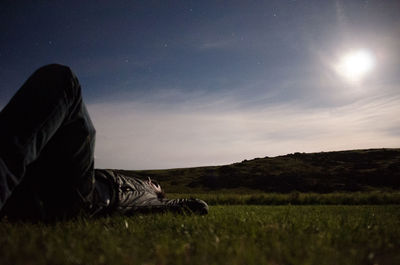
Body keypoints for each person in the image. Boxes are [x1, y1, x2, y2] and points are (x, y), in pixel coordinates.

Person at [0, 64, 208, 221]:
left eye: (155, 182)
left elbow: (197, 205)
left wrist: (157, 192)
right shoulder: (133, 182)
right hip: (44, 185)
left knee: (65, 81)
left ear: (158, 190)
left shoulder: (154, 199)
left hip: (83, 198)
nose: (150, 179)